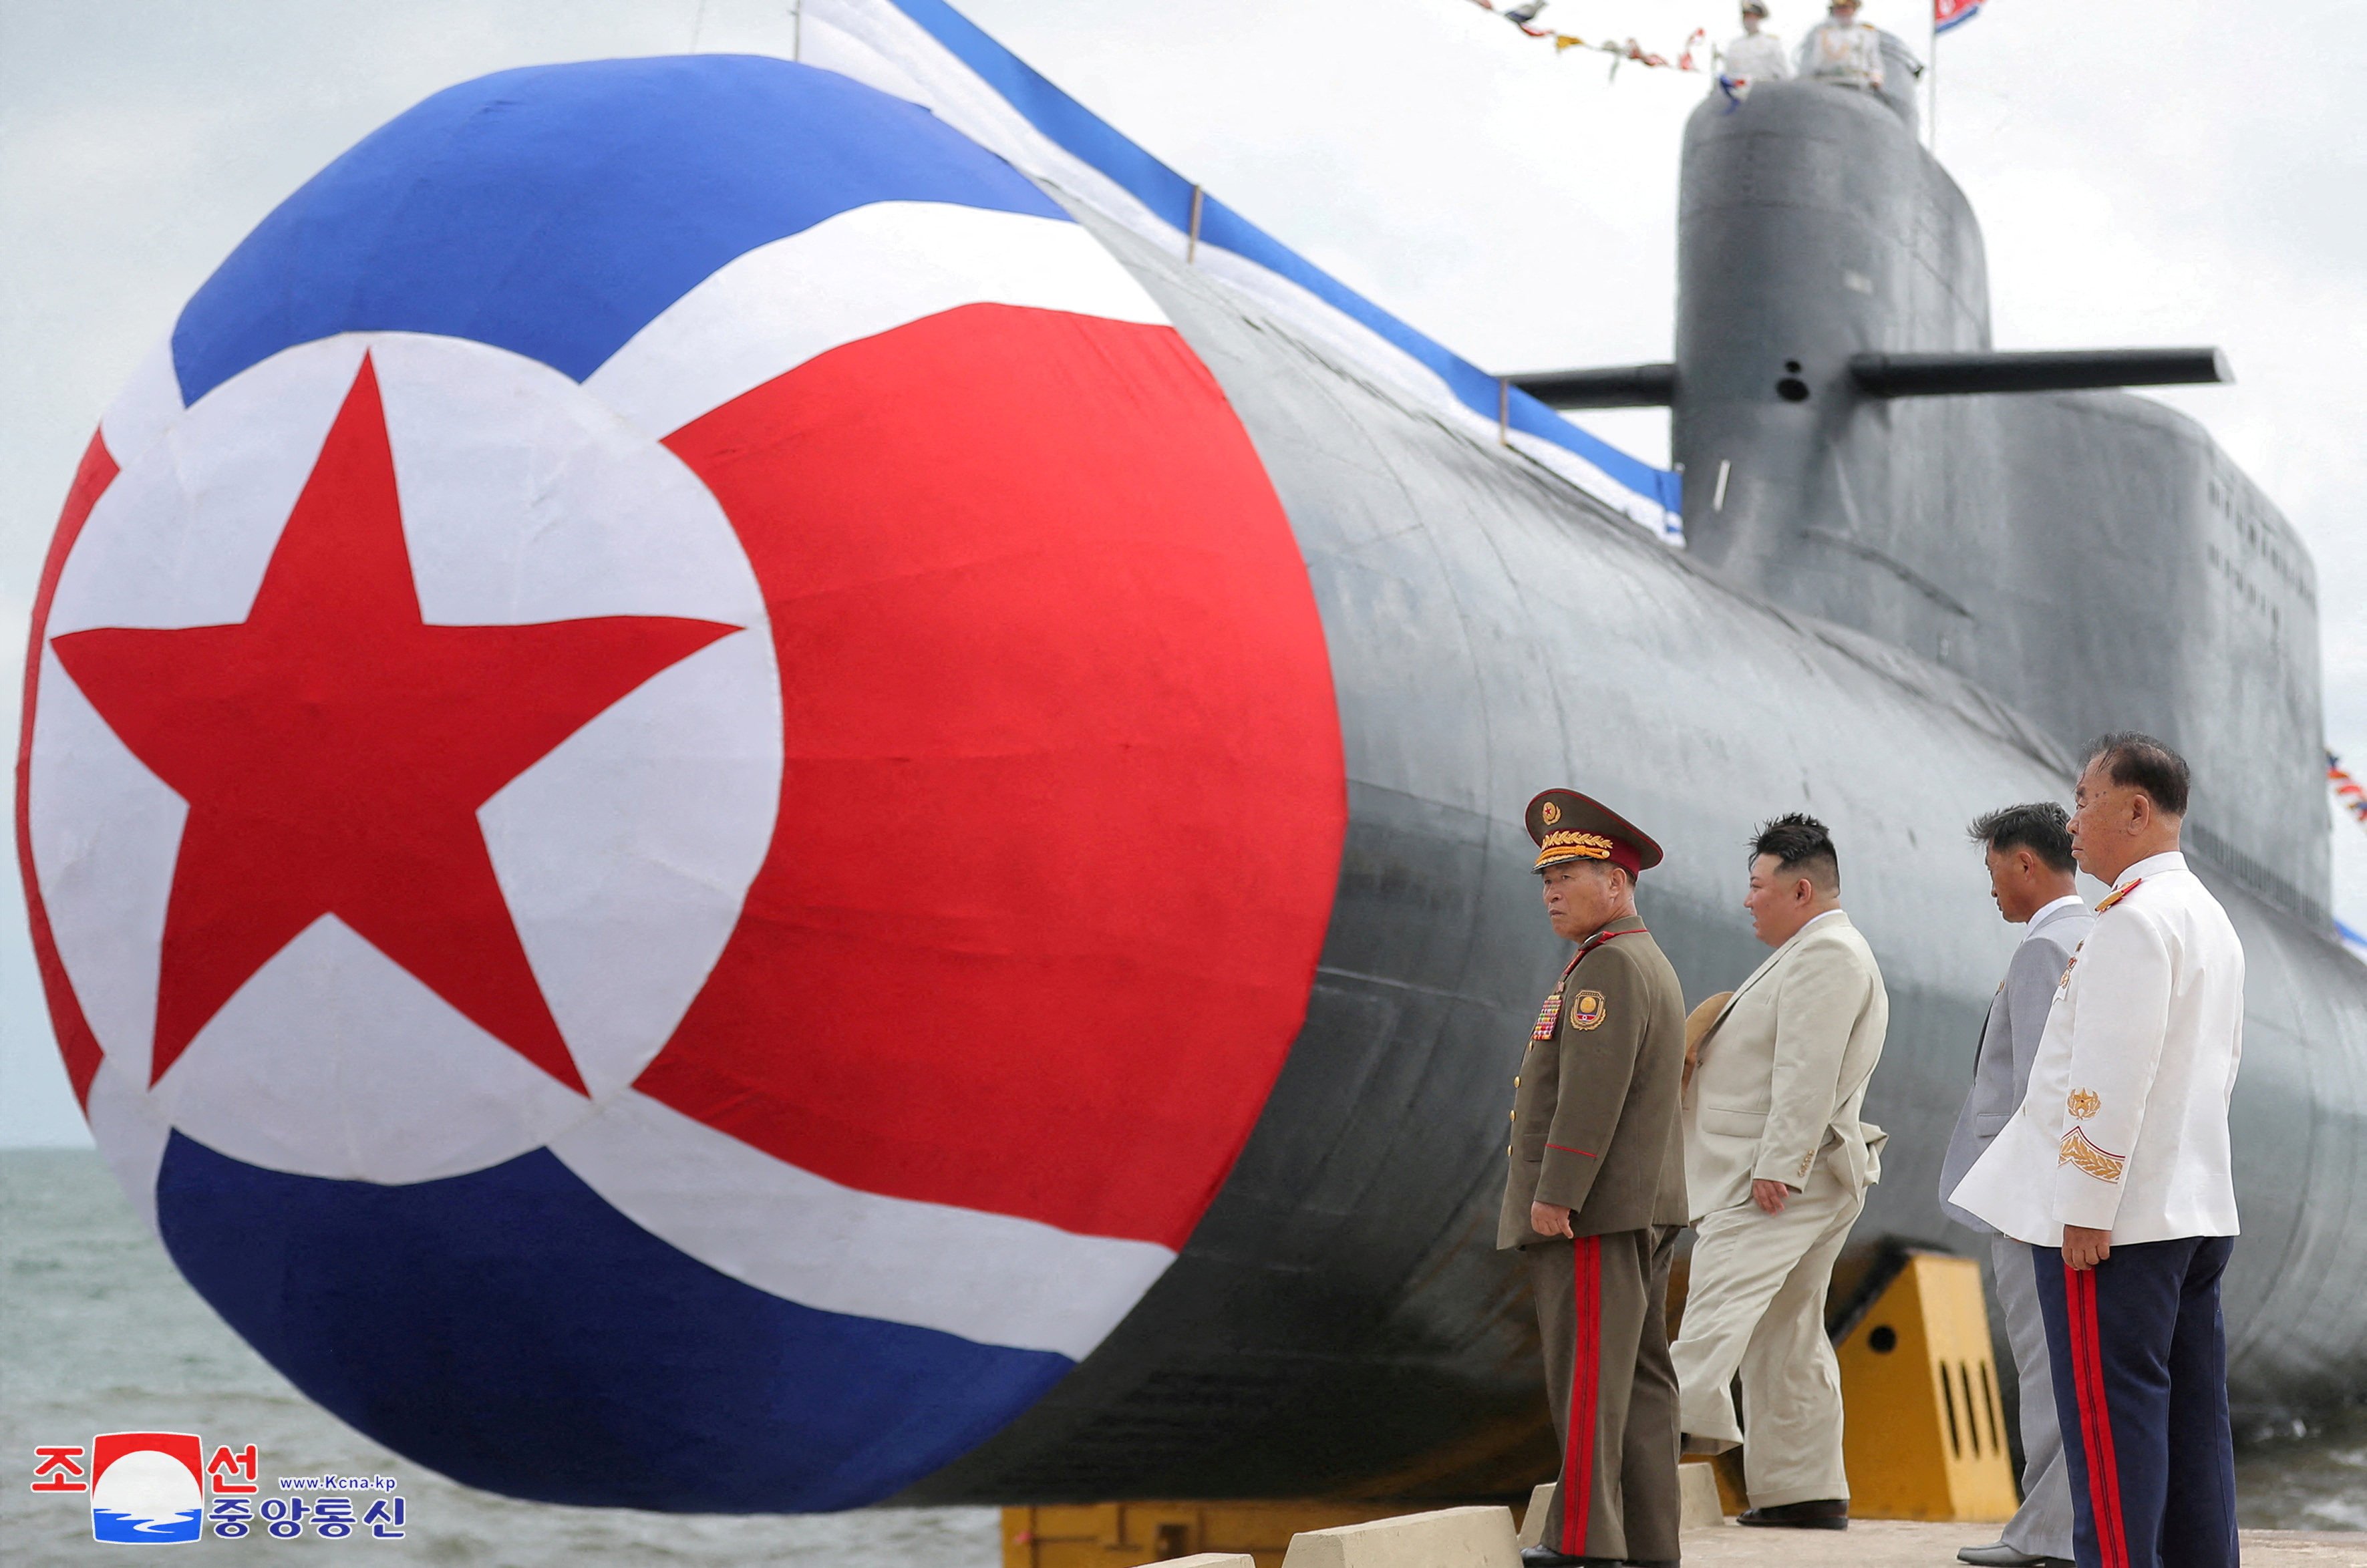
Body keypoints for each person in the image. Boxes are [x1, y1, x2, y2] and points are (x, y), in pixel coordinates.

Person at [1949, 736, 2243, 1568]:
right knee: (2192, 1425)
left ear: (2137, 810)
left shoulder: (2133, 922)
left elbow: (2108, 1080)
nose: (2072, 820)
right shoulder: (2209, 919)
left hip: (2113, 1228)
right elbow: (2217, 1073)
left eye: (2084, 800)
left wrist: (2084, 1206)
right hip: (2192, 1210)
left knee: (2111, 1437)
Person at [1671, 813, 1887, 1531]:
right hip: (1804, 1172)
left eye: (1758, 886)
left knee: (1714, 1311)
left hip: (1775, 1180)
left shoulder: (1827, 955)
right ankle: (1804, 1491)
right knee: (1788, 1332)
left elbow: (1807, 1070)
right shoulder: (1817, 948)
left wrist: (1780, 1167)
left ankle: (1636, 1463)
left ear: (1801, 890)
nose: (1747, 899)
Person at [1501, 788, 1690, 1568]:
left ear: (1616, 882)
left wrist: (1557, 1194)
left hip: (1595, 1213)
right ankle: (1647, 1545)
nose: (1551, 890)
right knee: (1641, 1383)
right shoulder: (1636, 959)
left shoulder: (1608, 968)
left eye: (1570, 873)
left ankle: (1581, 1543)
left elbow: (1591, 1093)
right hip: (1638, 1206)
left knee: (1588, 1380)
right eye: (1546, 877)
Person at [1939, 804, 2092, 1568]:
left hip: (2034, 1204)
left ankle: (2046, 1534)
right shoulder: (2091, 933)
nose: (1992, 888)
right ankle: (2069, 1527)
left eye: (1995, 868)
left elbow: (2044, 1094)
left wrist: (2030, 1203)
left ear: (2024, 863)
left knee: (2045, 1368)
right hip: (2066, 1199)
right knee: (2069, 1369)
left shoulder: (2045, 949)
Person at [1796, 0, 1883, 91]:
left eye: (1847, 8)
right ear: (1833, 10)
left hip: (1856, 83)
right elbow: (1807, 61)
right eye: (1840, 8)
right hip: (1825, 82)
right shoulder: (1819, 32)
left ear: (1854, 10)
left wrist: (1876, 78)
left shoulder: (1865, 33)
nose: (1843, 11)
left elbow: (1874, 59)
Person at [1722, 1, 1791, 85]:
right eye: (1746, 17)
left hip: (1764, 93)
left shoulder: (1771, 44)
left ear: (1758, 18)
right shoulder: (1734, 46)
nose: (1748, 21)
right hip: (1738, 95)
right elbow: (1728, 75)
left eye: (1751, 17)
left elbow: (1783, 76)